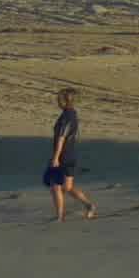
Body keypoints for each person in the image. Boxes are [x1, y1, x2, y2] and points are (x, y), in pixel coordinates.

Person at [44, 90, 98, 223]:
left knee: (55, 186)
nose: (57, 101)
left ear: (64, 101)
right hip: (70, 154)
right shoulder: (72, 114)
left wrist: (56, 157)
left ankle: (60, 217)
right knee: (67, 187)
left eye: (58, 99)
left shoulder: (66, 117)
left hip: (64, 155)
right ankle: (89, 205)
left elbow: (61, 138)